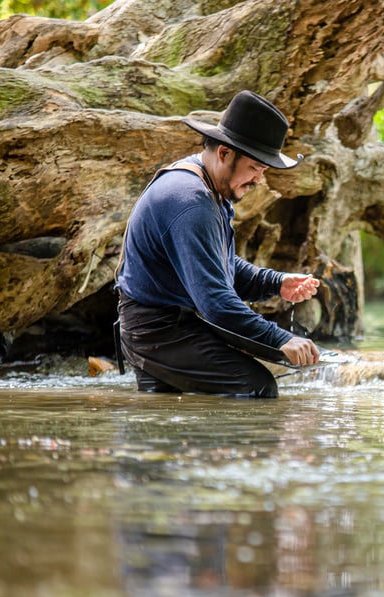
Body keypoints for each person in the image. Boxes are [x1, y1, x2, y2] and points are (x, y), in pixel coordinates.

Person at [115, 90, 320, 398]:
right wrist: (280, 338)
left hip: (158, 328)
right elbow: (215, 302)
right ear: (224, 153)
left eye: (263, 171)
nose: (259, 181)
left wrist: (274, 282)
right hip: (159, 332)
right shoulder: (192, 202)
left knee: (163, 424)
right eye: (254, 168)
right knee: (257, 388)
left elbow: (215, 264)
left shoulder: (204, 183)